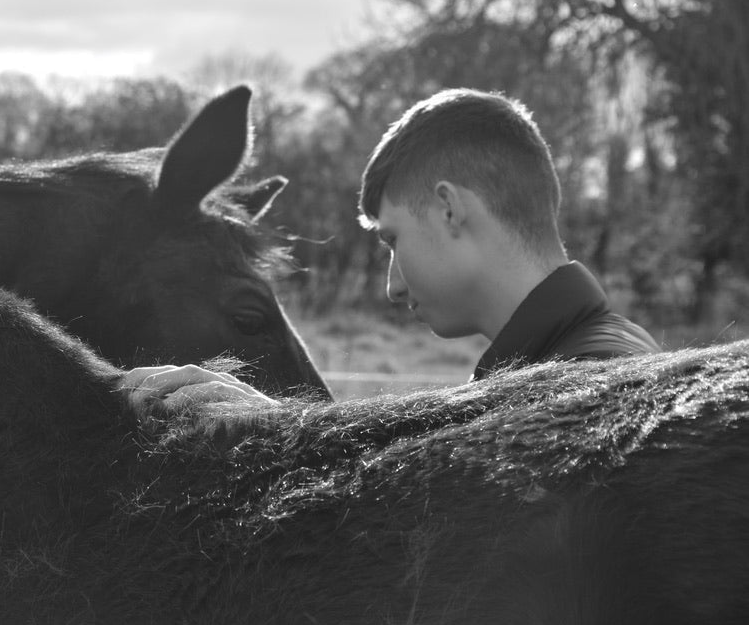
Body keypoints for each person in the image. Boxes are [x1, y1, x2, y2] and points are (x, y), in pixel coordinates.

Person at [122, 88, 660, 409]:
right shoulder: (586, 356)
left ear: (449, 208)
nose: (392, 285)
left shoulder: (590, 382)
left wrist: (269, 432)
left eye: (393, 241)